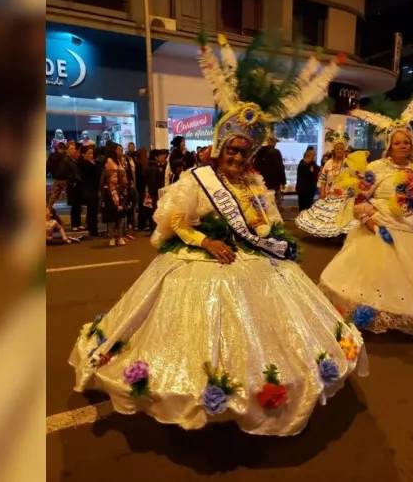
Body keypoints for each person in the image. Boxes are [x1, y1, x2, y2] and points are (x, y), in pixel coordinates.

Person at [68, 36, 366, 435]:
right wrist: (205, 241)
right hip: (200, 257)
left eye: (244, 153)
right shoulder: (197, 180)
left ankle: (263, 382)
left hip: (254, 259)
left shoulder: (255, 183)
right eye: (232, 150)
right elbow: (174, 221)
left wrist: (267, 235)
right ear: (219, 147)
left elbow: (270, 223)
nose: (238, 157)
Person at [320, 101, 413, 334]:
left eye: (406, 142)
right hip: (378, 231)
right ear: (389, 145)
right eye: (397, 142)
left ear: (412, 145)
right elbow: (358, 200)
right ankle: (369, 317)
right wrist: (370, 222)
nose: (402, 146)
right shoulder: (376, 168)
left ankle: (404, 318)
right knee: (373, 280)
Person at [295, 128, 360, 238]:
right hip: (330, 195)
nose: (340, 150)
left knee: (344, 216)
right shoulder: (328, 163)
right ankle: (332, 236)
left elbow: (354, 178)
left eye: (342, 148)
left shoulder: (349, 163)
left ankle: (342, 235)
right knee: (329, 217)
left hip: (345, 196)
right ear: (333, 150)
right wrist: (322, 192)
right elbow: (323, 179)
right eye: (338, 148)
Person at [255, 136, 287, 209]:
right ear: (273, 142)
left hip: (261, 183)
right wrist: (283, 182)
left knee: (264, 206)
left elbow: (255, 167)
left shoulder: (259, 152)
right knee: (274, 205)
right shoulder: (275, 152)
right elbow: (279, 168)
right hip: (273, 184)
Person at [78, 145, 101, 236]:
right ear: (84, 154)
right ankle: (93, 229)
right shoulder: (83, 164)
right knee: (92, 208)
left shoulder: (94, 163)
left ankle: (92, 226)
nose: (91, 155)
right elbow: (89, 173)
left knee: (94, 209)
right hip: (87, 188)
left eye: (92, 153)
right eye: (89, 153)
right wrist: (92, 164)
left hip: (94, 188)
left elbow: (98, 171)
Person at [145, 149, 168, 230]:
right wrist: (157, 193)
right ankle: (155, 229)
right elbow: (154, 182)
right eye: (161, 155)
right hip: (155, 193)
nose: (163, 157)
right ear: (156, 157)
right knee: (155, 211)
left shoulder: (154, 166)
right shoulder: (154, 168)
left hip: (154, 192)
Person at [296, 146, 319, 211]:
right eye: (313, 154)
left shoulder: (312, 163)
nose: (314, 155)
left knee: (308, 206)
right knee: (303, 207)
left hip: (310, 189)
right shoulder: (303, 164)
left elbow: (317, 169)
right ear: (309, 155)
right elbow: (307, 174)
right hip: (303, 190)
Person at [134, 148, 151, 230]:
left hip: (140, 188)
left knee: (142, 206)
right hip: (141, 188)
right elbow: (141, 178)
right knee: (142, 207)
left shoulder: (138, 164)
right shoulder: (140, 165)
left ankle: (142, 224)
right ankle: (142, 224)